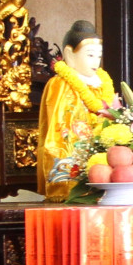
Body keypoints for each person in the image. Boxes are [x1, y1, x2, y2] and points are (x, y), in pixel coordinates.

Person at [36, 20, 116, 198]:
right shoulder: (60, 84)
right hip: (76, 154)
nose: (96, 61)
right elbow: (59, 129)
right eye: (90, 55)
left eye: (98, 56)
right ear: (69, 54)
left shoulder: (103, 84)